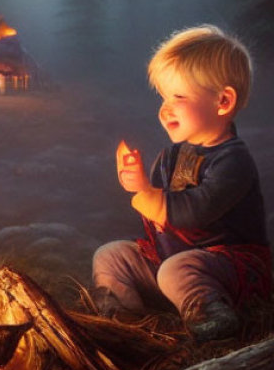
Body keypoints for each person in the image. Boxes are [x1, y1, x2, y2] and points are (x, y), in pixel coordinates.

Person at [92, 25, 271, 341]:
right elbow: (157, 213)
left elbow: (196, 211)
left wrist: (148, 195)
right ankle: (122, 317)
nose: (165, 107)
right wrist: (139, 184)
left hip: (229, 268)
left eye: (178, 96)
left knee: (177, 270)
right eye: (163, 96)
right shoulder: (170, 156)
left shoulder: (233, 160)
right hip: (171, 261)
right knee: (110, 254)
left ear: (223, 102)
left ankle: (212, 317)